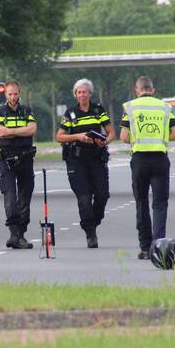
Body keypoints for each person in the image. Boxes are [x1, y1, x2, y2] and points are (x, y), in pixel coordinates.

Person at [120, 76, 175, 259]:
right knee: (160, 204)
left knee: (141, 203)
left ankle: (145, 247)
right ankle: (159, 248)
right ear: (153, 90)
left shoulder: (129, 107)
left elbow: (123, 137)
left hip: (139, 160)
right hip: (160, 159)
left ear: (137, 90)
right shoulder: (165, 107)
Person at [55, 78, 114, 248]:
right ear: (75, 95)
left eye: (84, 92)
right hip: (77, 160)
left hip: (97, 158)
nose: (82, 95)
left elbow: (111, 132)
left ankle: (94, 221)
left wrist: (105, 141)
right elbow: (59, 136)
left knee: (102, 195)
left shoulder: (98, 110)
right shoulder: (70, 113)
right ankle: (90, 233)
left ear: (90, 93)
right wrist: (78, 137)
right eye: (79, 92)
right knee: (85, 198)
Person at [0, 81, 37, 249]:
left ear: (20, 93)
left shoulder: (27, 110)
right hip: (6, 159)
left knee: (25, 196)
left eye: (15, 94)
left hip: (25, 158)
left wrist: (10, 132)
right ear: (6, 95)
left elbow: (32, 129)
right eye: (10, 94)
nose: (13, 97)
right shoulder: (0, 111)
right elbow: (0, 132)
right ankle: (14, 234)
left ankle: (21, 233)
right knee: (10, 196)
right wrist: (20, 131)